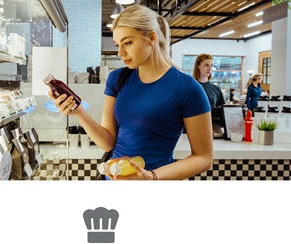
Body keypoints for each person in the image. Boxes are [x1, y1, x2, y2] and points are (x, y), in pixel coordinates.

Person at [48, 5, 213, 180]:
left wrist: (151, 177)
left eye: (127, 43)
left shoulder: (188, 88)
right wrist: (79, 112)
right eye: (118, 45)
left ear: (152, 37)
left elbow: (203, 157)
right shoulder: (118, 79)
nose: (120, 52)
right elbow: (107, 142)